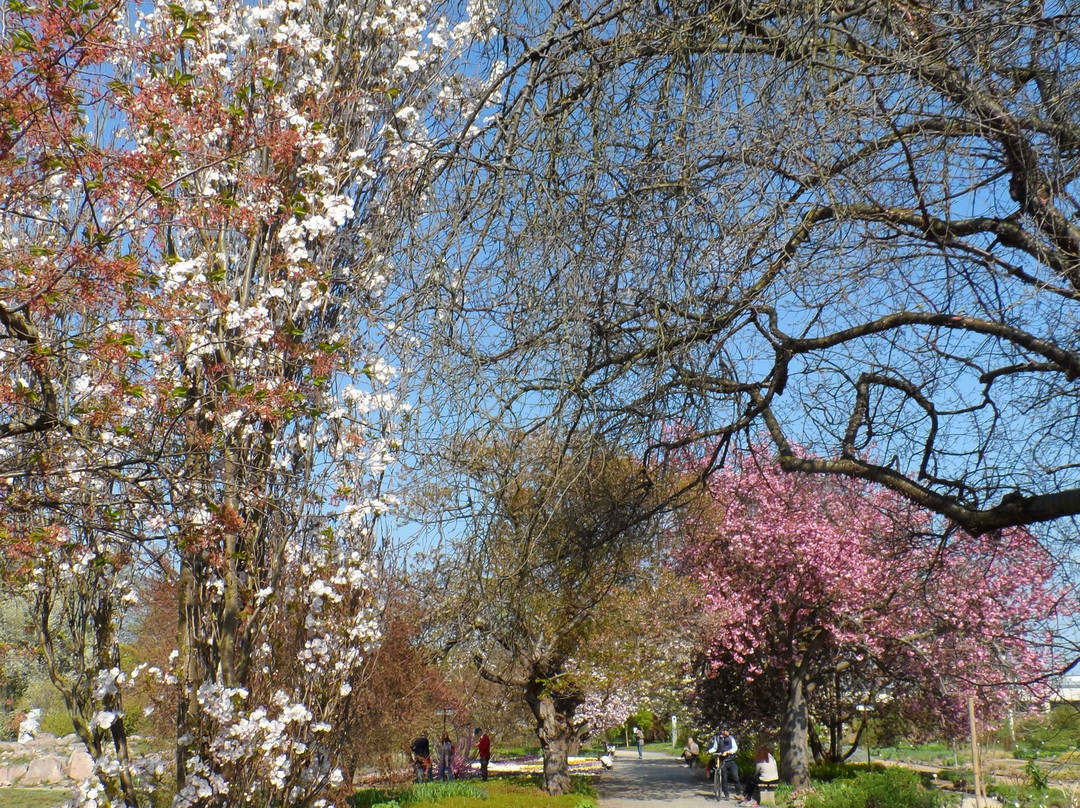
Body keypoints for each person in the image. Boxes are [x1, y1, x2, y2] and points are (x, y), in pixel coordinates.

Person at [707, 728, 741, 799]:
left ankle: (738, 793)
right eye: (727, 730)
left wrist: (728, 752)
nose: (728, 732)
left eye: (728, 730)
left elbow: (735, 748)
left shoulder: (731, 738)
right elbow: (714, 748)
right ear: (722, 731)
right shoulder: (717, 739)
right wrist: (709, 751)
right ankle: (726, 795)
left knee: (736, 777)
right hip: (723, 761)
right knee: (724, 778)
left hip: (731, 760)